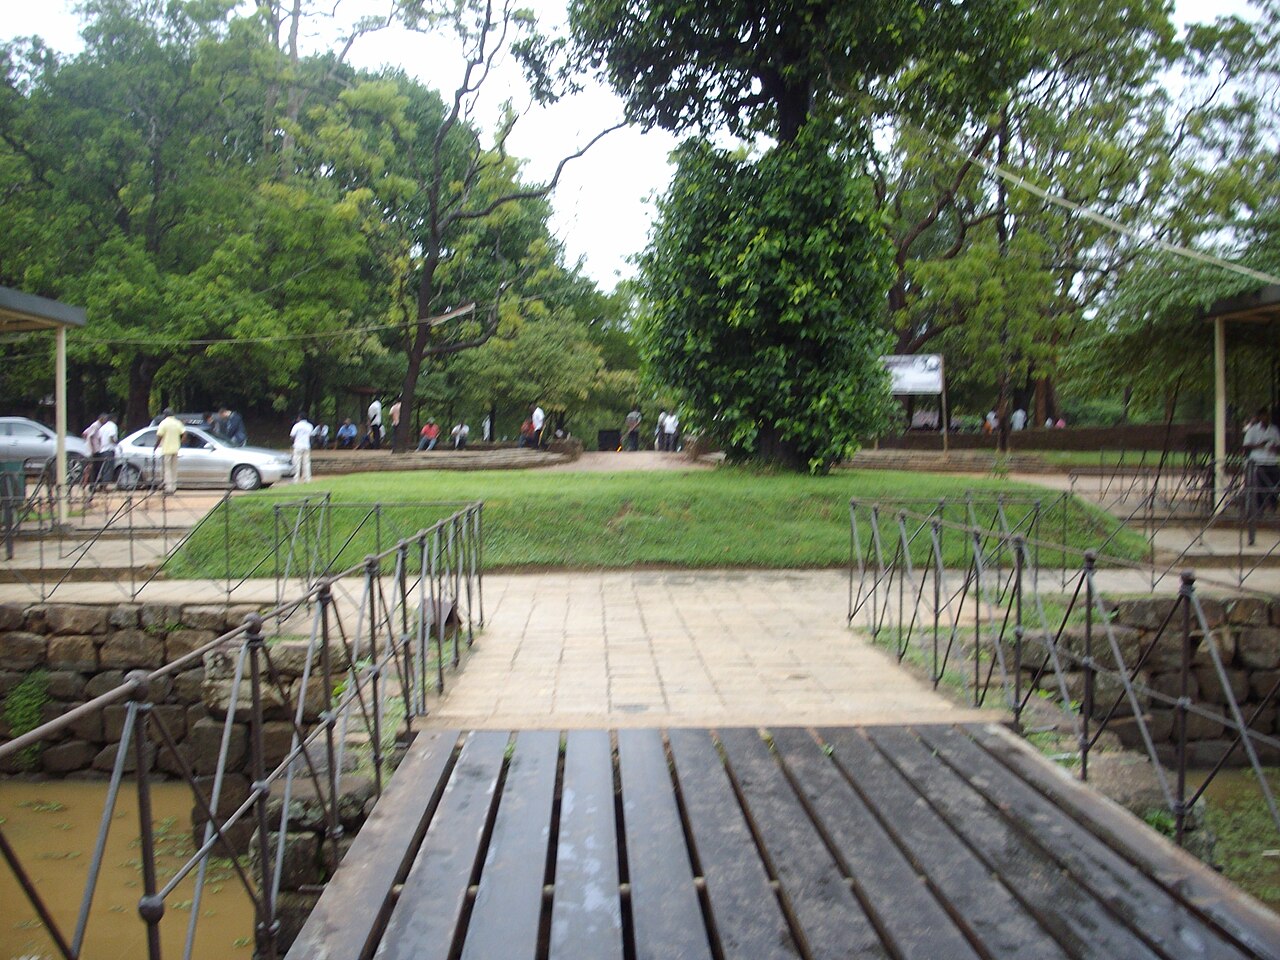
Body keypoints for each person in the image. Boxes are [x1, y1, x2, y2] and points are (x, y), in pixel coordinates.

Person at [1243, 406, 1280, 514]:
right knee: (1258, 486)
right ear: (1259, 417)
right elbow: (1245, 446)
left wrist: (1274, 448)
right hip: (1258, 462)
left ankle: (1273, 506)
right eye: (1264, 416)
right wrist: (1259, 445)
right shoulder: (1252, 430)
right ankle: (1259, 509)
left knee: (1274, 485)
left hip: (1271, 461)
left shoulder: (1274, 430)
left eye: (1267, 416)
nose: (1266, 418)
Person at [154, 408, 185, 494]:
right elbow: (184, 433)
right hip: (176, 449)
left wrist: (155, 446)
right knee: (174, 469)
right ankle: (174, 487)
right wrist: (180, 443)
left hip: (166, 449)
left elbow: (159, 436)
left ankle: (168, 489)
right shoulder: (177, 422)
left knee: (167, 470)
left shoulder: (163, 423)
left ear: (165, 415)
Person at [290, 411, 314, 483]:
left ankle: (296, 479)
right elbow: (311, 436)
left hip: (298, 446)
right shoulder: (310, 426)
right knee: (306, 463)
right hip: (306, 446)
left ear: (299, 418)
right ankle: (307, 479)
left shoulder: (297, 425)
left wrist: (293, 442)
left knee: (296, 463)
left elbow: (292, 436)